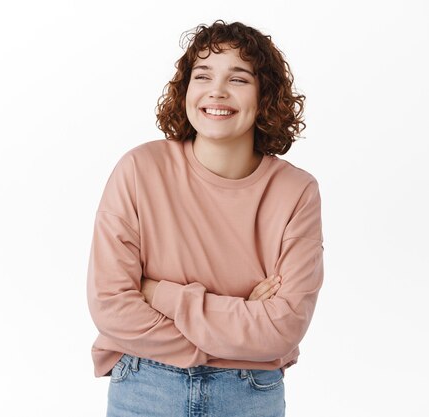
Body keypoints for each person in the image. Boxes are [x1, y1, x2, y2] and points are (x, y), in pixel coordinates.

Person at [86, 19, 324, 417]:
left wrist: (160, 293)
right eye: (203, 75)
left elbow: (281, 329)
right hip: (147, 385)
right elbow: (111, 306)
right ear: (185, 90)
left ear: (265, 95)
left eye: (239, 79)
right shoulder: (140, 169)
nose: (217, 90)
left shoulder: (296, 191)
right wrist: (235, 327)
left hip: (249, 394)